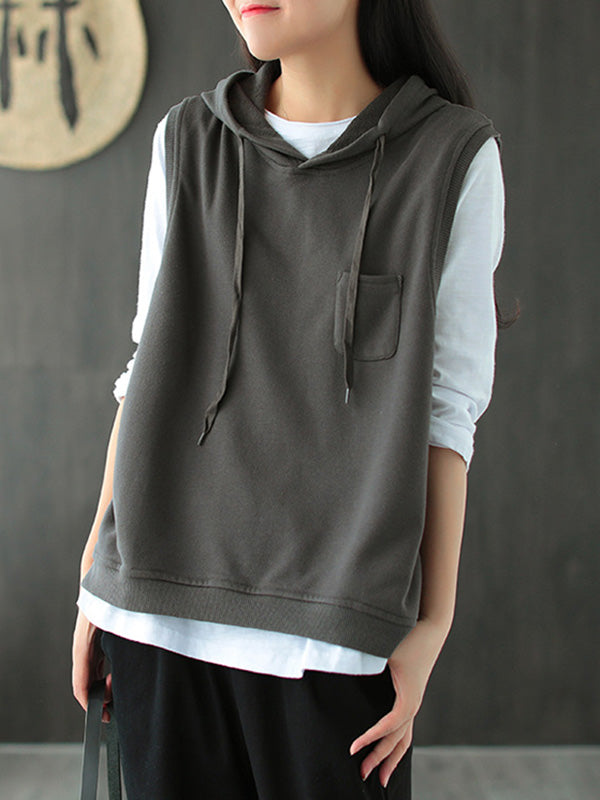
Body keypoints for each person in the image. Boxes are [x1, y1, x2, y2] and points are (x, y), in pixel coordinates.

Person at [72, 1, 515, 797]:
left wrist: (431, 626)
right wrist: (95, 581)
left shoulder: (451, 156)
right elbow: (146, 371)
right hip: (155, 618)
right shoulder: (188, 139)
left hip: (337, 636)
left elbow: (446, 410)